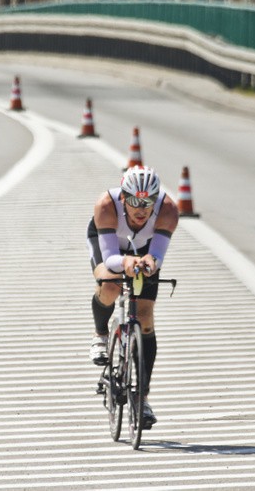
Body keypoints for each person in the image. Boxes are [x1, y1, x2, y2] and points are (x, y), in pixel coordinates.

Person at [86, 166, 179, 429]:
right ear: (124, 197)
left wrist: (151, 262)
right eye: (135, 202)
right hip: (110, 246)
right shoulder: (106, 205)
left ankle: (143, 399)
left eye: (148, 203)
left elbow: (157, 255)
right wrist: (127, 262)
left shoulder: (168, 210)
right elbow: (110, 259)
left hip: (143, 249)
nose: (141, 209)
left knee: (145, 318)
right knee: (110, 284)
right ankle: (100, 334)